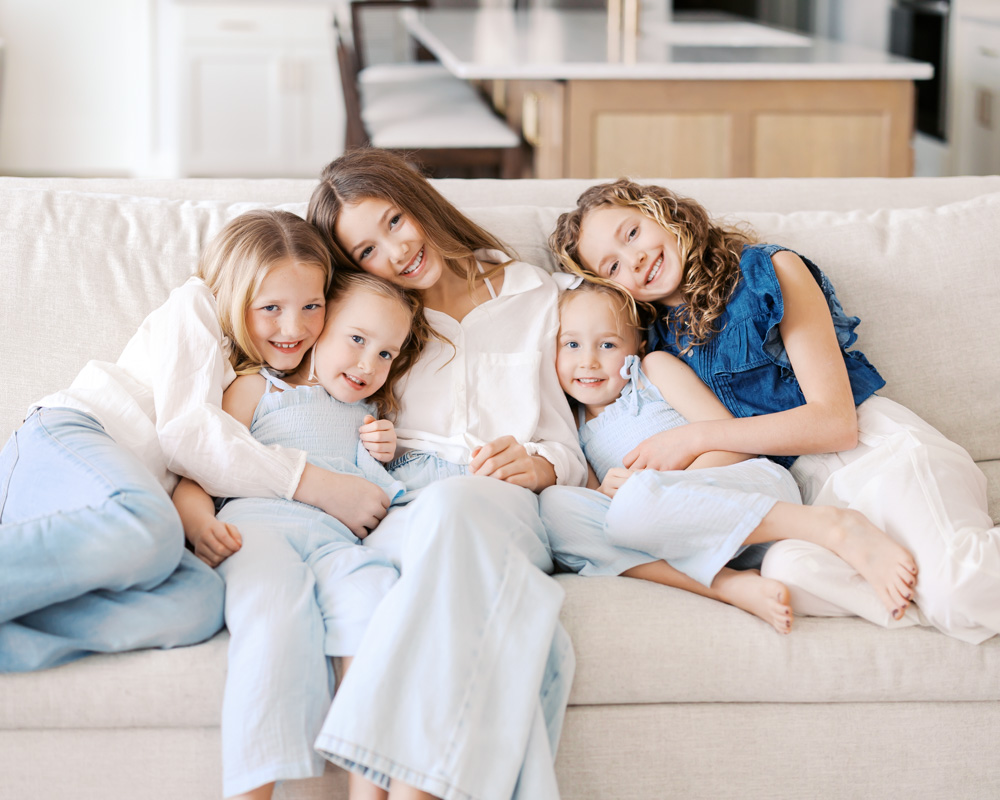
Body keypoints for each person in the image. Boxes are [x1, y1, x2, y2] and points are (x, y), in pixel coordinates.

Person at [550, 177, 1000, 644]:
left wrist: (698, 437)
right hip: (799, 500)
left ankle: (948, 591)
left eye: (632, 234)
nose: (636, 258)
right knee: (791, 573)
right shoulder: (648, 351)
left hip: (872, 455)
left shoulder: (768, 272)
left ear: (663, 212)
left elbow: (836, 423)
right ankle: (926, 593)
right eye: (614, 265)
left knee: (959, 590)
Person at [306, 148, 588, 800]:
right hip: (406, 508)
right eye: (368, 252)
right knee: (479, 597)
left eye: (395, 222)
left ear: (419, 199)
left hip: (499, 503)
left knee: (459, 507)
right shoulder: (375, 328)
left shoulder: (535, 295)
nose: (395, 253)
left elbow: (572, 447)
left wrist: (543, 464)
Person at [0, 209, 382, 672]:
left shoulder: (264, 377)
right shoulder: (196, 305)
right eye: (270, 308)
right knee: (149, 525)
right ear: (232, 297)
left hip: (117, 520)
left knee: (199, 601)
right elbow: (189, 435)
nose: (294, 328)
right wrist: (315, 483)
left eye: (312, 306)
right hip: (68, 438)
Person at [173, 270, 428, 800]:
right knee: (276, 607)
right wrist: (200, 525)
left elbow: (381, 494)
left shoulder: (369, 416)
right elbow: (197, 470)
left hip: (335, 544)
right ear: (321, 325)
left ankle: (370, 789)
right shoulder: (255, 389)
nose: (368, 364)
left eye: (386, 354)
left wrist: (383, 452)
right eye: (357, 339)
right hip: (256, 532)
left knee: (379, 600)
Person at [540, 278, 918, 634]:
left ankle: (833, 525)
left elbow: (733, 443)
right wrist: (613, 492)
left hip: (750, 492)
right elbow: (599, 504)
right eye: (571, 345)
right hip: (681, 537)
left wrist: (662, 489)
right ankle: (726, 584)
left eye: (607, 345)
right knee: (556, 508)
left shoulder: (651, 373)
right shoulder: (571, 425)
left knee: (635, 507)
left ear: (636, 347)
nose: (588, 361)